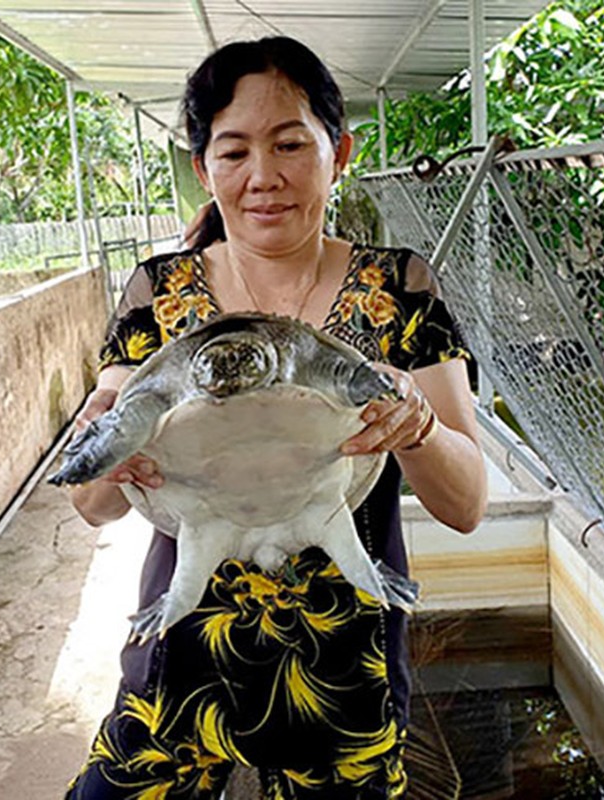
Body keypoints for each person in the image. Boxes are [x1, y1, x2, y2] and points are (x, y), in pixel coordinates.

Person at [65, 36, 487, 800]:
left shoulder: (399, 287)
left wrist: (418, 426)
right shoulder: (157, 294)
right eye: (233, 153)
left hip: (343, 676)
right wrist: (103, 444)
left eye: (291, 143)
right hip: (179, 665)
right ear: (203, 169)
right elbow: (92, 505)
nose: (264, 177)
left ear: (340, 151)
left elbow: (466, 505)